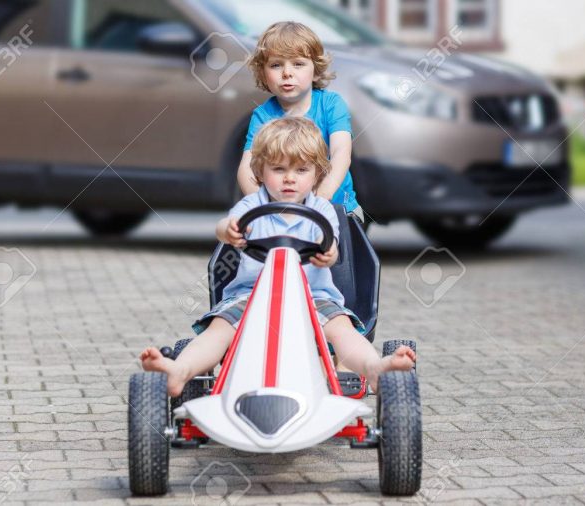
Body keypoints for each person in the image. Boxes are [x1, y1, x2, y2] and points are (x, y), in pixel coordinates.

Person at [140, 117, 413, 396]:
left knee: (342, 330)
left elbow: (329, 245)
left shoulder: (322, 210)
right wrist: (229, 231)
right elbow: (225, 226)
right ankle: (180, 372)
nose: (290, 178)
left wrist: (326, 252)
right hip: (250, 294)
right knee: (219, 329)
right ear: (259, 170)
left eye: (301, 170)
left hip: (314, 296)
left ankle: (374, 369)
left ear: (318, 173)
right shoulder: (251, 205)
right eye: (279, 169)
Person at [236, 21, 365, 223]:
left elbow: (341, 153)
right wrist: (263, 206)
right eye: (276, 65)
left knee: (339, 252)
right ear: (263, 72)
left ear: (315, 70)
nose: (287, 73)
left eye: (298, 63)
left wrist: (321, 200)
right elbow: (246, 167)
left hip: (338, 208)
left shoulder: (331, 104)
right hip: (281, 213)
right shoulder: (263, 115)